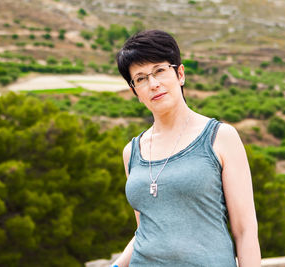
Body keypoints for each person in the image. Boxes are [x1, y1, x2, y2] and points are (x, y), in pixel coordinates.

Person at [111, 30, 260, 267]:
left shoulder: (221, 137)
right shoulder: (132, 152)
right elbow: (147, 231)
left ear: (180, 74)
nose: (153, 84)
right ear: (134, 91)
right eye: (141, 78)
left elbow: (245, 230)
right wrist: (116, 266)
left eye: (159, 70)